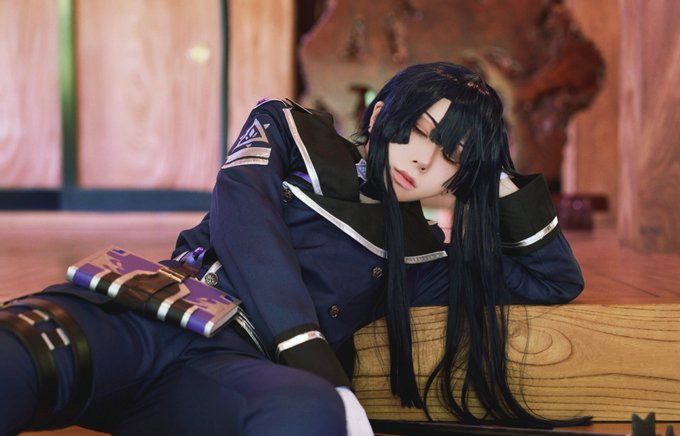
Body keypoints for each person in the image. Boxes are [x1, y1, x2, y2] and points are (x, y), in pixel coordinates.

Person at [0, 62, 588, 435]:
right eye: (419, 132)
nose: (422, 160)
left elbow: (552, 280)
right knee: (13, 357)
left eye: (451, 159)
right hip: (142, 316)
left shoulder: (422, 256)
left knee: (310, 414)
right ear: (381, 113)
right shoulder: (287, 127)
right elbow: (246, 219)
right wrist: (309, 351)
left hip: (229, 371)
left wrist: (497, 176)